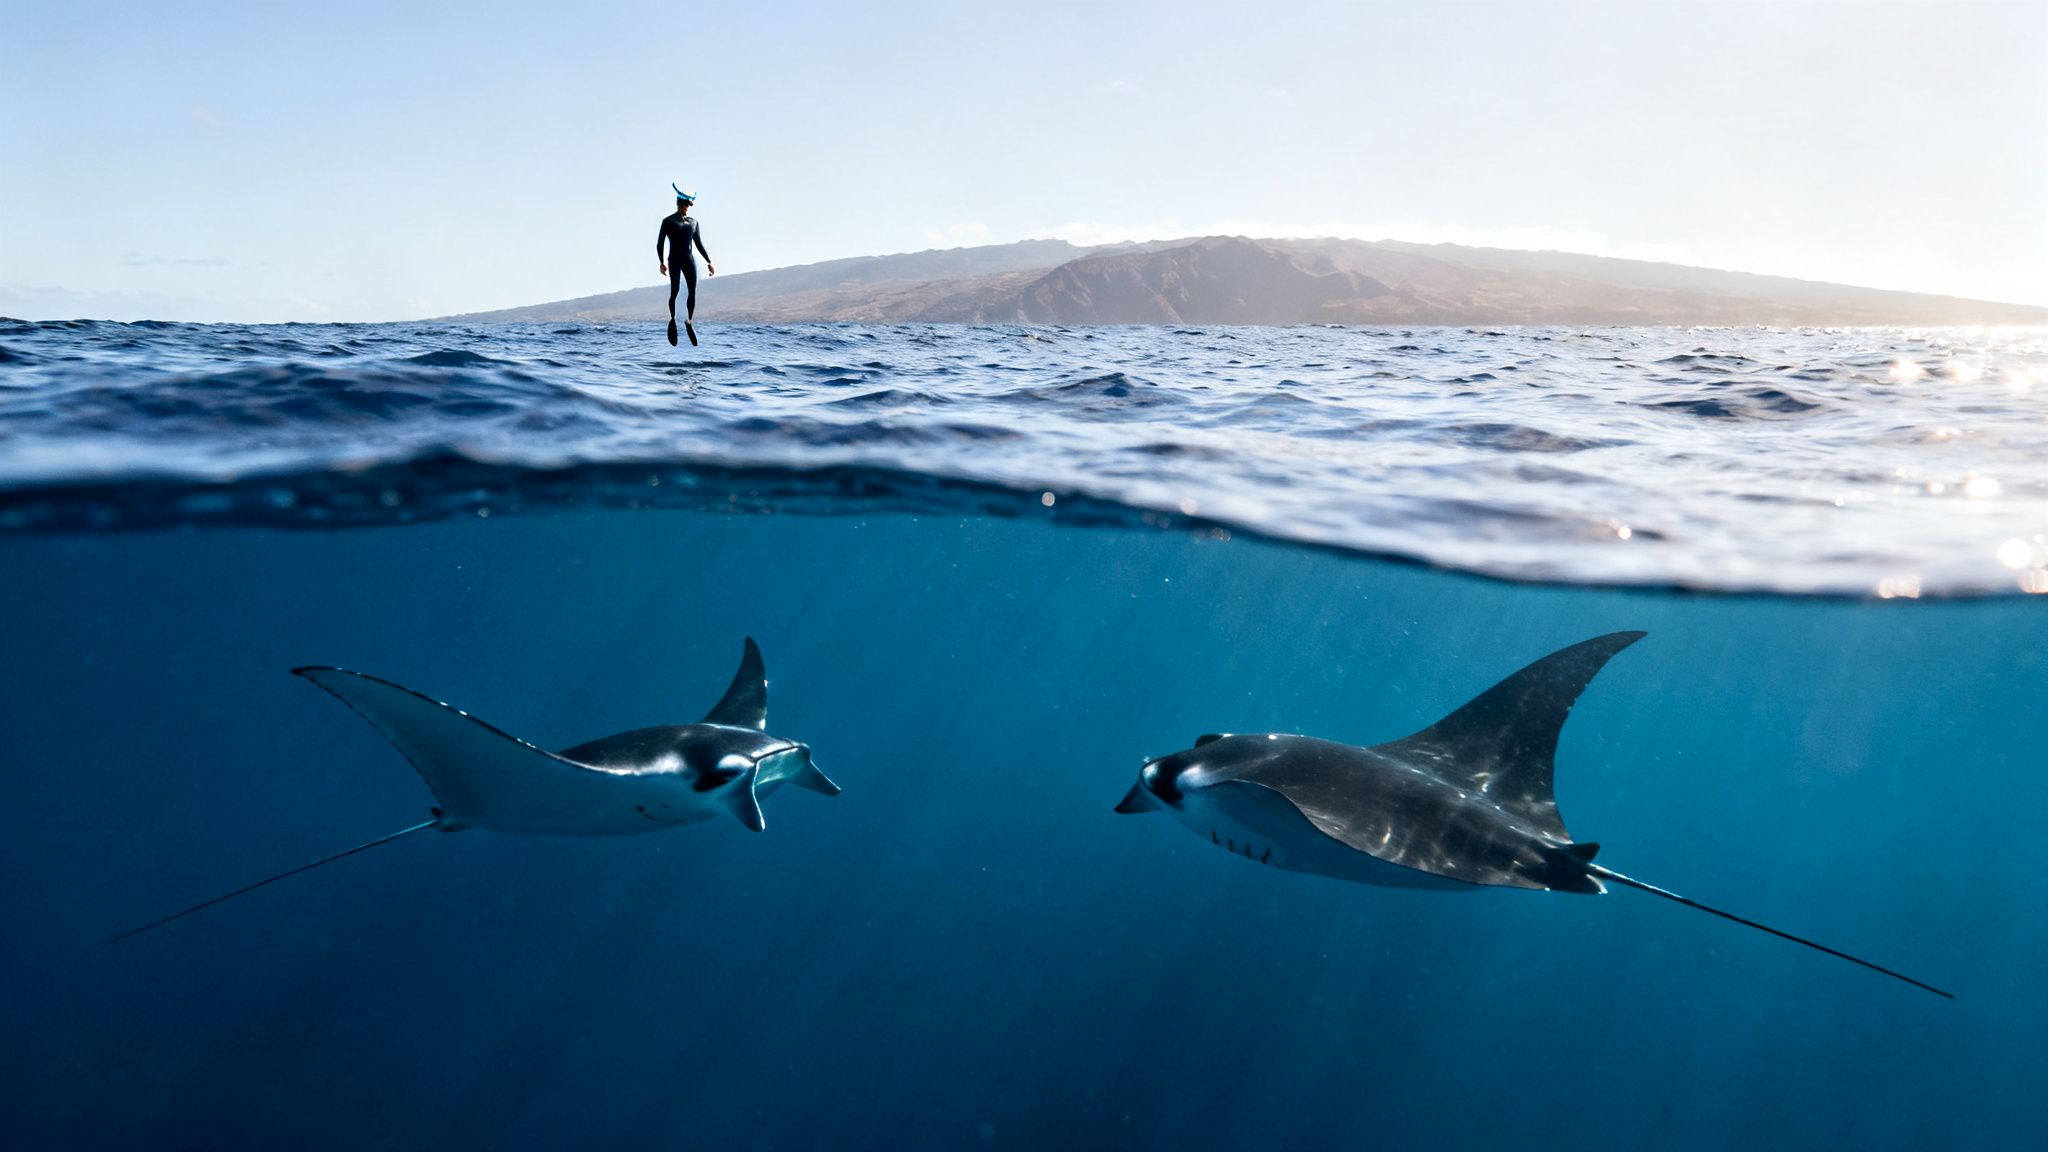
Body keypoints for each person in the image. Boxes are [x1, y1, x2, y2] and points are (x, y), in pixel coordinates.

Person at [656, 184, 716, 346]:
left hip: (688, 259)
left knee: (692, 291)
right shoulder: (668, 221)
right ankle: (673, 319)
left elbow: (699, 243)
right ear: (678, 203)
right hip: (674, 259)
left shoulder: (693, 222)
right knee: (674, 290)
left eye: (690, 205)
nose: (687, 207)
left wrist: (709, 262)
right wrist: (661, 262)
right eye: (685, 204)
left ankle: (689, 321)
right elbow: (660, 243)